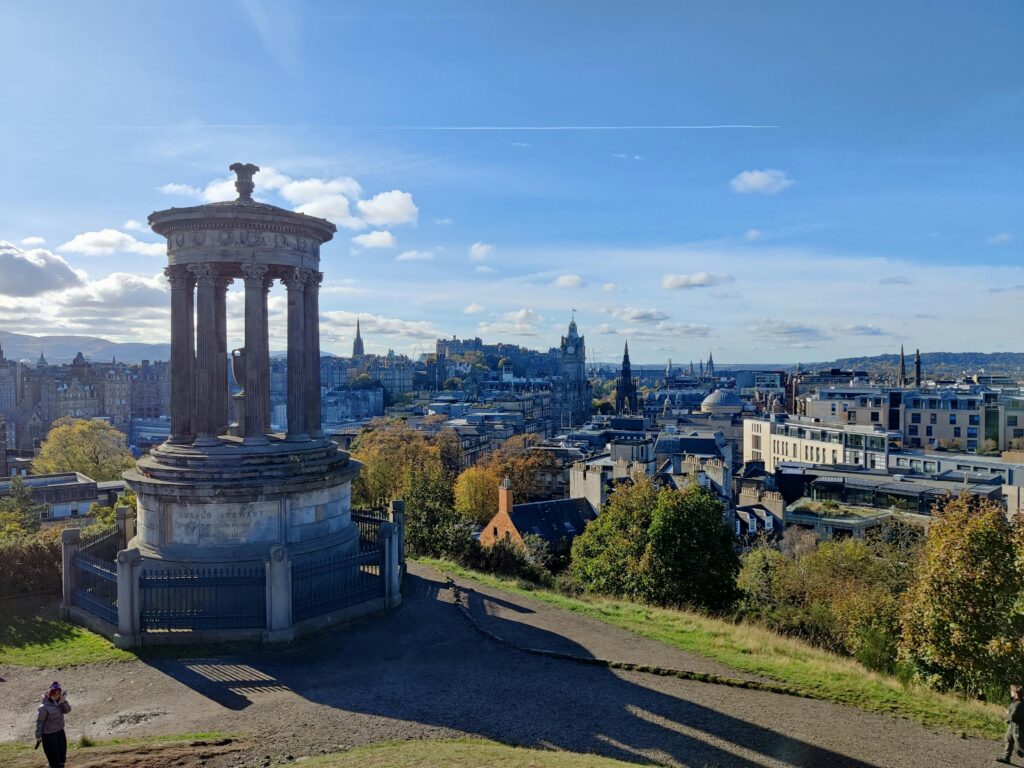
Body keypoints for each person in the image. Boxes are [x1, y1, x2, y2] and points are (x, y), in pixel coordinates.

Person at [35, 681, 70, 768]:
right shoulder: (43, 707)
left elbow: (67, 710)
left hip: (60, 732)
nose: (57, 695)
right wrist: (38, 735)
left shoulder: (60, 702)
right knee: (54, 760)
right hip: (49, 736)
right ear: (51, 694)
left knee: (62, 757)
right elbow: (40, 722)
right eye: (55, 694)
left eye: (58, 694)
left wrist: (64, 702)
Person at [999, 685, 1024, 765]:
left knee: (1019, 744)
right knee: (1008, 739)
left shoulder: (1018, 703)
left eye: (1011, 691)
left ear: (1015, 693)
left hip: (1017, 727)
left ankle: (1020, 752)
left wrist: (1008, 716)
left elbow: (1013, 716)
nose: (1010, 692)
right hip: (1012, 726)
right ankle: (1006, 758)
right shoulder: (1015, 701)